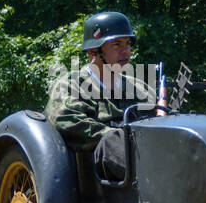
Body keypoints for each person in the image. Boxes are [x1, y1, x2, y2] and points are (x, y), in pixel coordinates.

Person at [45, 11, 157, 181]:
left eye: (128, 44)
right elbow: (66, 120)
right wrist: (115, 135)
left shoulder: (141, 88)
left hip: (147, 157)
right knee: (112, 141)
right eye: (117, 44)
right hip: (96, 176)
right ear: (93, 51)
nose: (125, 51)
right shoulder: (72, 85)